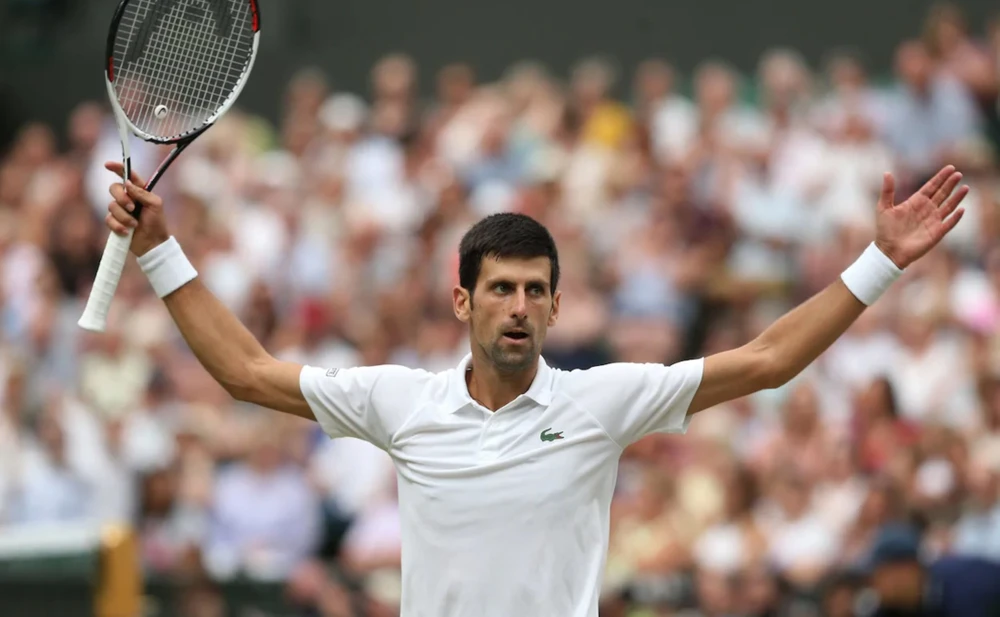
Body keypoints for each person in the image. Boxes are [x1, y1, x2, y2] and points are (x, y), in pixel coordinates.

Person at [101, 160, 967, 617]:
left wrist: (880, 262)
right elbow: (246, 372)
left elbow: (770, 357)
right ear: (462, 301)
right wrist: (158, 249)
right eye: (501, 289)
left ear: (556, 307)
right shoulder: (401, 402)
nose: (518, 306)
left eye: (534, 291)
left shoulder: (602, 402)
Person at [862, 522, 1000, 617]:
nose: (873, 583)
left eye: (880, 575)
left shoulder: (970, 583)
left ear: (909, 570)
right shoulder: (887, 608)